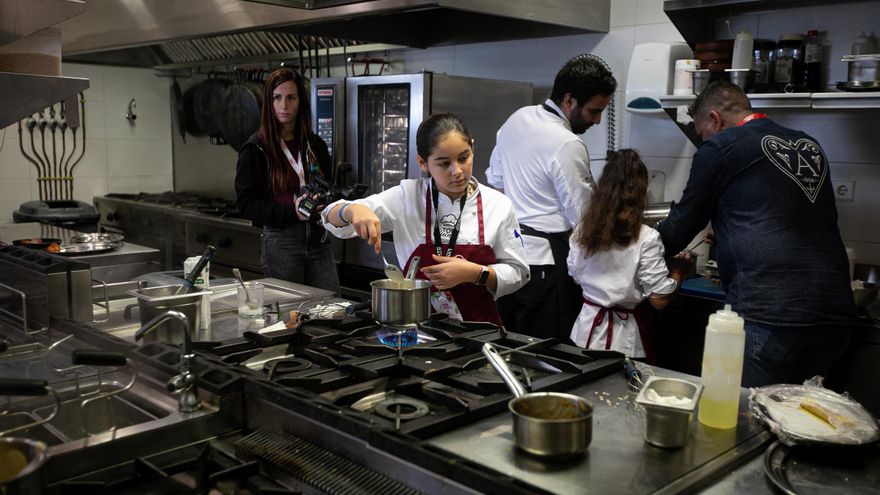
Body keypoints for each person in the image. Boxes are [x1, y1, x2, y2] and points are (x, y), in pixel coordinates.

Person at [657, 80, 857, 387]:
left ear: (715, 119)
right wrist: (728, 236)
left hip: (769, 313)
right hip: (835, 312)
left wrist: (643, 248)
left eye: (702, 133)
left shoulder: (720, 148)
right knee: (801, 422)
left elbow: (683, 224)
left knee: (748, 420)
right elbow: (792, 216)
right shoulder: (809, 145)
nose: (703, 141)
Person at [322, 113, 529, 325]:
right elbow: (329, 215)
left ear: (473, 149)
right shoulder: (407, 196)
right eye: (444, 163)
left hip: (480, 332)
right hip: (417, 327)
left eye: (463, 158)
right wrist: (351, 211)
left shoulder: (498, 205)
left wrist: (476, 273)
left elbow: (519, 272)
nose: (457, 171)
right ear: (423, 163)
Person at [487, 54, 617, 339]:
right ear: (569, 101)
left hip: (508, 257)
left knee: (509, 342)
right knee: (547, 354)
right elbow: (585, 217)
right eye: (594, 111)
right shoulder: (567, 143)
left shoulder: (517, 118)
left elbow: (495, 180)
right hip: (547, 269)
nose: (596, 120)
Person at [568, 149, 685, 360]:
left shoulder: (581, 231)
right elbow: (659, 300)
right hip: (625, 344)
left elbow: (576, 277)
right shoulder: (647, 238)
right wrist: (678, 272)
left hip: (583, 336)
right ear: (640, 193)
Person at [235, 68, 339, 292]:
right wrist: (292, 211)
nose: (284, 106)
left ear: (300, 101)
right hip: (281, 243)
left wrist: (327, 206)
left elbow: (327, 186)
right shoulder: (255, 149)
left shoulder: (315, 144)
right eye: (277, 98)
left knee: (331, 309)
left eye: (291, 98)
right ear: (269, 102)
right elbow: (247, 205)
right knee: (289, 313)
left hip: (319, 239)